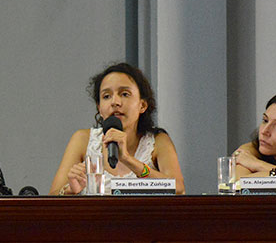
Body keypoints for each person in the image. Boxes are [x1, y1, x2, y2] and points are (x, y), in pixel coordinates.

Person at [50, 62, 184, 195]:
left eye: (125, 94)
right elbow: (52, 197)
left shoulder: (158, 141)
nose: (115, 102)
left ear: (142, 105)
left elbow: (178, 190)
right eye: (106, 96)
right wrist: (70, 190)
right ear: (99, 108)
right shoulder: (82, 140)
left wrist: (127, 159)